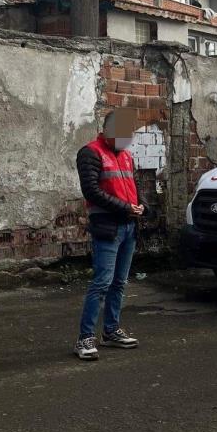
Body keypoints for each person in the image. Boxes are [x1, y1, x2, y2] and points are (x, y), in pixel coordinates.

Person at [74, 108, 146, 361]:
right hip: (108, 227)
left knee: (119, 282)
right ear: (107, 130)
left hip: (129, 227)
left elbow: (135, 187)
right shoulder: (90, 153)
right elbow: (91, 191)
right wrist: (126, 208)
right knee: (102, 283)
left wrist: (142, 206)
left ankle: (111, 330)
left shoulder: (126, 156)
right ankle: (85, 338)